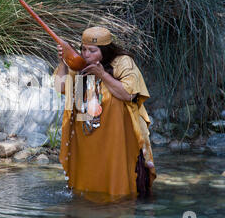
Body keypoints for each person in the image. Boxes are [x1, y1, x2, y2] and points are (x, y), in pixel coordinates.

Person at [53, 26, 156, 203]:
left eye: (92, 51)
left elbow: (128, 94)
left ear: (106, 50)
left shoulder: (123, 62)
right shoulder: (79, 63)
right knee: (85, 182)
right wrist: (63, 61)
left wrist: (102, 75)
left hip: (117, 135)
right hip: (85, 130)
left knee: (117, 179)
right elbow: (60, 87)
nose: (86, 54)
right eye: (84, 49)